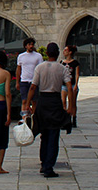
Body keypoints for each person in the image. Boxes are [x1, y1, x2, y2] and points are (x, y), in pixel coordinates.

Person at [25, 43, 75, 178]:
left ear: (47, 53)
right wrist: (71, 106)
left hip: (43, 101)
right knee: (53, 135)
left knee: (44, 135)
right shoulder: (62, 68)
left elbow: (33, 87)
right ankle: (48, 166)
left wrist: (27, 104)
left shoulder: (40, 68)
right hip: (55, 102)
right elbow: (69, 87)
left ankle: (43, 163)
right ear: (57, 53)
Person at [15, 37, 43, 115]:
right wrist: (17, 82)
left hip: (34, 81)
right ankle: (24, 117)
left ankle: (34, 116)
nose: (31, 46)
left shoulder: (38, 56)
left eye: (32, 44)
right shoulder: (21, 56)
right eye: (29, 44)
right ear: (25, 46)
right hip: (24, 80)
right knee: (24, 100)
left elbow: (41, 69)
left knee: (34, 101)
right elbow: (18, 69)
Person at [61, 44, 80, 128]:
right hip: (63, 85)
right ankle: (65, 119)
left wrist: (76, 85)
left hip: (72, 85)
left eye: (66, 50)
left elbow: (77, 74)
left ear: (70, 52)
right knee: (63, 101)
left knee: (72, 103)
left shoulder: (75, 63)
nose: (64, 51)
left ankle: (74, 119)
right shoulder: (62, 62)